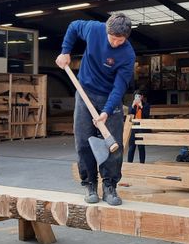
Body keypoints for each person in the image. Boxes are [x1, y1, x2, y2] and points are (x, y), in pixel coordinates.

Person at [56, 13, 135, 206]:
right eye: (113, 38)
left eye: (120, 40)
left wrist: (106, 111)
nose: (116, 43)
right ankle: (90, 183)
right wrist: (65, 51)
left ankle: (110, 186)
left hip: (110, 98)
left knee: (113, 145)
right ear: (107, 31)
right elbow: (73, 25)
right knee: (83, 142)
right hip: (85, 93)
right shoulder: (94, 29)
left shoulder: (127, 55)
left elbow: (119, 88)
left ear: (126, 37)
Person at [127, 90, 150, 164]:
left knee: (141, 146)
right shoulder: (132, 105)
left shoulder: (146, 105)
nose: (137, 98)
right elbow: (130, 115)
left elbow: (146, 115)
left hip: (141, 127)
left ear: (142, 97)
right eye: (136, 96)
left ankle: (142, 163)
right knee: (131, 147)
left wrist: (141, 106)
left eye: (139, 96)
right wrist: (133, 106)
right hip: (134, 126)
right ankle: (129, 163)